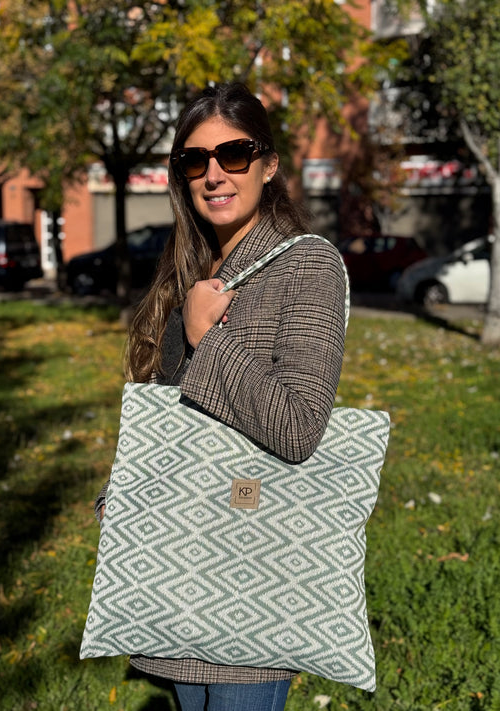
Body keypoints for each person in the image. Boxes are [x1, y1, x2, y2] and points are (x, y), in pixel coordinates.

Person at [95, 82, 347, 711]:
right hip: (179, 560)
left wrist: (208, 338)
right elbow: (172, 411)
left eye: (234, 154)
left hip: (253, 567)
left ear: (269, 165)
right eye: (194, 160)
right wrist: (125, 494)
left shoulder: (308, 266)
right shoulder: (192, 268)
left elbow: (299, 426)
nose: (214, 174)